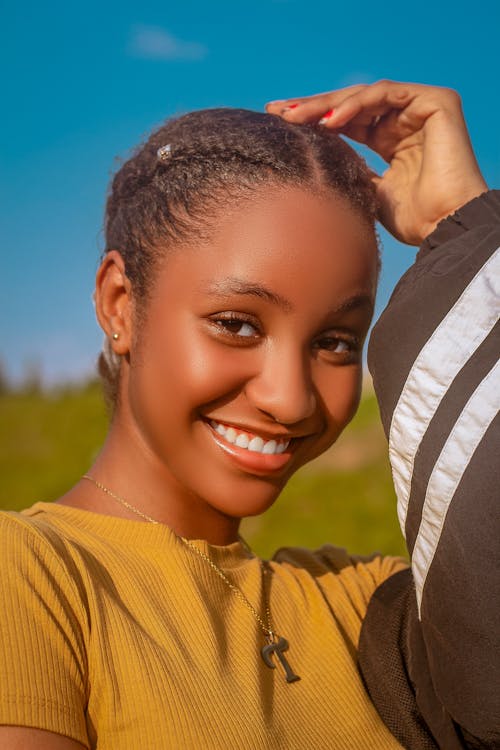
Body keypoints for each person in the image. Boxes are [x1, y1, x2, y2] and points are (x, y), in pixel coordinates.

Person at [0, 81, 497, 749]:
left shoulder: (366, 614)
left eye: (336, 342)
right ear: (120, 304)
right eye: (235, 324)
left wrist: (463, 234)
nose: (290, 398)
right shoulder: (31, 577)